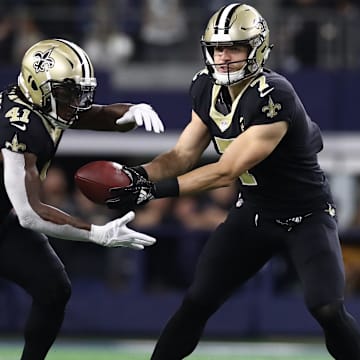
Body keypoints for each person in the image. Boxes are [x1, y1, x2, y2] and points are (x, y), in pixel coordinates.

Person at [107, 4, 360, 359]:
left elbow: (226, 170)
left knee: (327, 308)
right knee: (197, 301)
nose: (224, 57)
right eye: (217, 48)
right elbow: (181, 156)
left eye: (235, 48)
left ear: (256, 49)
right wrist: (137, 176)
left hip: (305, 215)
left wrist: (151, 190)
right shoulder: (205, 87)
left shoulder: (274, 95)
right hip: (254, 213)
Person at [0, 38, 163, 360]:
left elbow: (94, 116)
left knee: (53, 290)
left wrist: (131, 112)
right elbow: (29, 214)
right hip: (14, 215)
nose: (75, 103)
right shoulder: (17, 128)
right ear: (38, 86)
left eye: (78, 92)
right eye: (67, 93)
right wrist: (96, 233)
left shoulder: (42, 103)